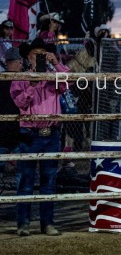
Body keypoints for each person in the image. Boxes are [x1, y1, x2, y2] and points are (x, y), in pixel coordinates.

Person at [10, 38, 71, 237]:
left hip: (51, 133)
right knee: (25, 181)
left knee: (49, 180)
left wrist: (56, 62)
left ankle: (47, 224)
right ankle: (24, 224)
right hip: (30, 133)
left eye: (42, 54)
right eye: (35, 54)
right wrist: (32, 84)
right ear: (28, 57)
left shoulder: (54, 75)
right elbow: (20, 101)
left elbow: (69, 82)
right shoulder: (21, 78)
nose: (39, 58)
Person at [0, 48, 23, 176]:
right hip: (12, 129)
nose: (21, 64)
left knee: (21, 168)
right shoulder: (21, 79)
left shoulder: (21, 78)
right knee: (21, 169)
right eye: (19, 61)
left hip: (12, 130)